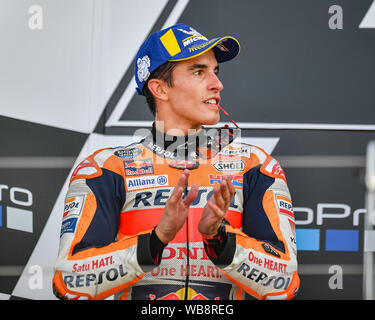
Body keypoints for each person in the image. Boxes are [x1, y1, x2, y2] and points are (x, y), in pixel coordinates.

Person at [52, 23, 299, 300]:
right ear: (159, 89)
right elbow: (70, 281)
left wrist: (217, 239)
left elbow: (284, 282)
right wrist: (156, 239)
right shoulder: (106, 168)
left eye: (215, 71)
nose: (218, 84)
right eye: (198, 71)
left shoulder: (255, 166)